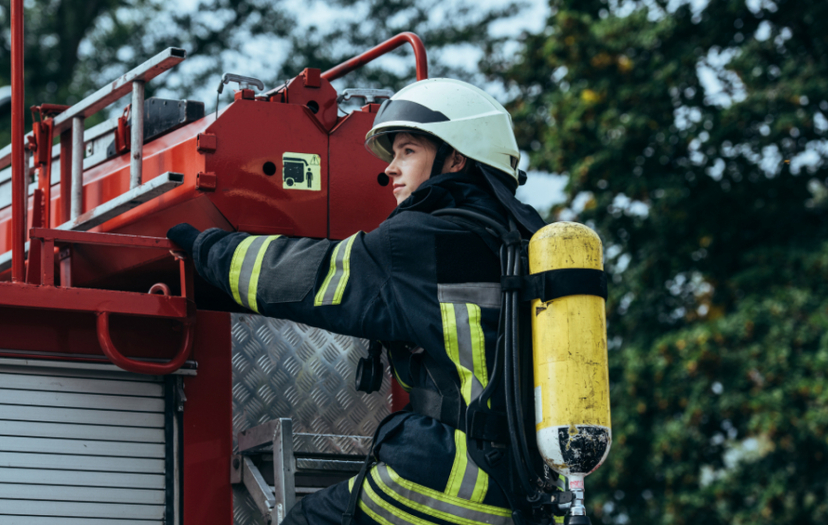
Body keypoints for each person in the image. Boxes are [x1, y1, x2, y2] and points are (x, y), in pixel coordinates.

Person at [167, 78, 554, 525]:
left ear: (455, 157)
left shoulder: (421, 241)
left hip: (449, 480)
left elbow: (307, 276)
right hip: (532, 497)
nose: (391, 168)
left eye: (407, 151)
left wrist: (206, 250)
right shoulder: (528, 246)